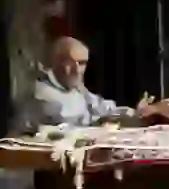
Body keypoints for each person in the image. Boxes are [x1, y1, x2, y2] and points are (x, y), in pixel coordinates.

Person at [30, 36, 161, 127]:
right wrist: (114, 120)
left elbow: (101, 107)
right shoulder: (42, 93)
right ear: (56, 62)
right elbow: (72, 124)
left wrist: (134, 113)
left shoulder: (74, 86)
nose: (77, 70)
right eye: (70, 63)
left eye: (82, 63)